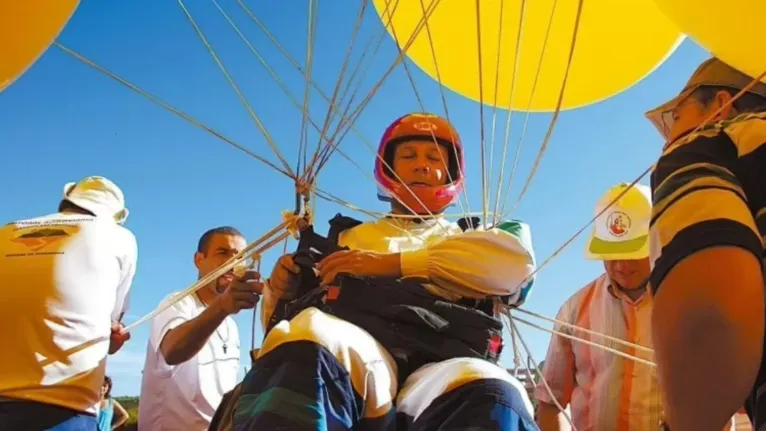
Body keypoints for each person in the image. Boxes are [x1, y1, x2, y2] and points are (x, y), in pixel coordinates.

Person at [232, 112, 539, 430]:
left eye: (434, 157)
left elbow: (518, 267)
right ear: (387, 166)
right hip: (359, 357)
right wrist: (282, 290)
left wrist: (389, 265)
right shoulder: (345, 236)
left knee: (492, 388)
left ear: (452, 171)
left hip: (446, 360)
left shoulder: (478, 234)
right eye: (408, 156)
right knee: (309, 334)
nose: (422, 164)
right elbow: (281, 321)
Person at [644, 57, 766, 430]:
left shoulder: (703, 145)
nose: (669, 137)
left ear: (721, 105)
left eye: (676, 118)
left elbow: (712, 315)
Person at [0, 176, 137, 430]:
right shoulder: (120, 238)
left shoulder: (6, 230)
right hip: (63, 404)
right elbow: (112, 323)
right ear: (116, 216)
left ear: (65, 201)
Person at [535, 182, 665, 431]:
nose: (622, 266)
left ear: (657, 239)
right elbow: (550, 401)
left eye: (633, 252)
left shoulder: (690, 302)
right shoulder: (574, 311)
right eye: (612, 253)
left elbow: (721, 393)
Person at [137, 226, 263, 431]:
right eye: (222, 252)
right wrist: (222, 307)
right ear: (199, 259)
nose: (232, 262)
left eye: (239, 256)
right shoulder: (177, 303)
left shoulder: (231, 325)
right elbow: (172, 351)